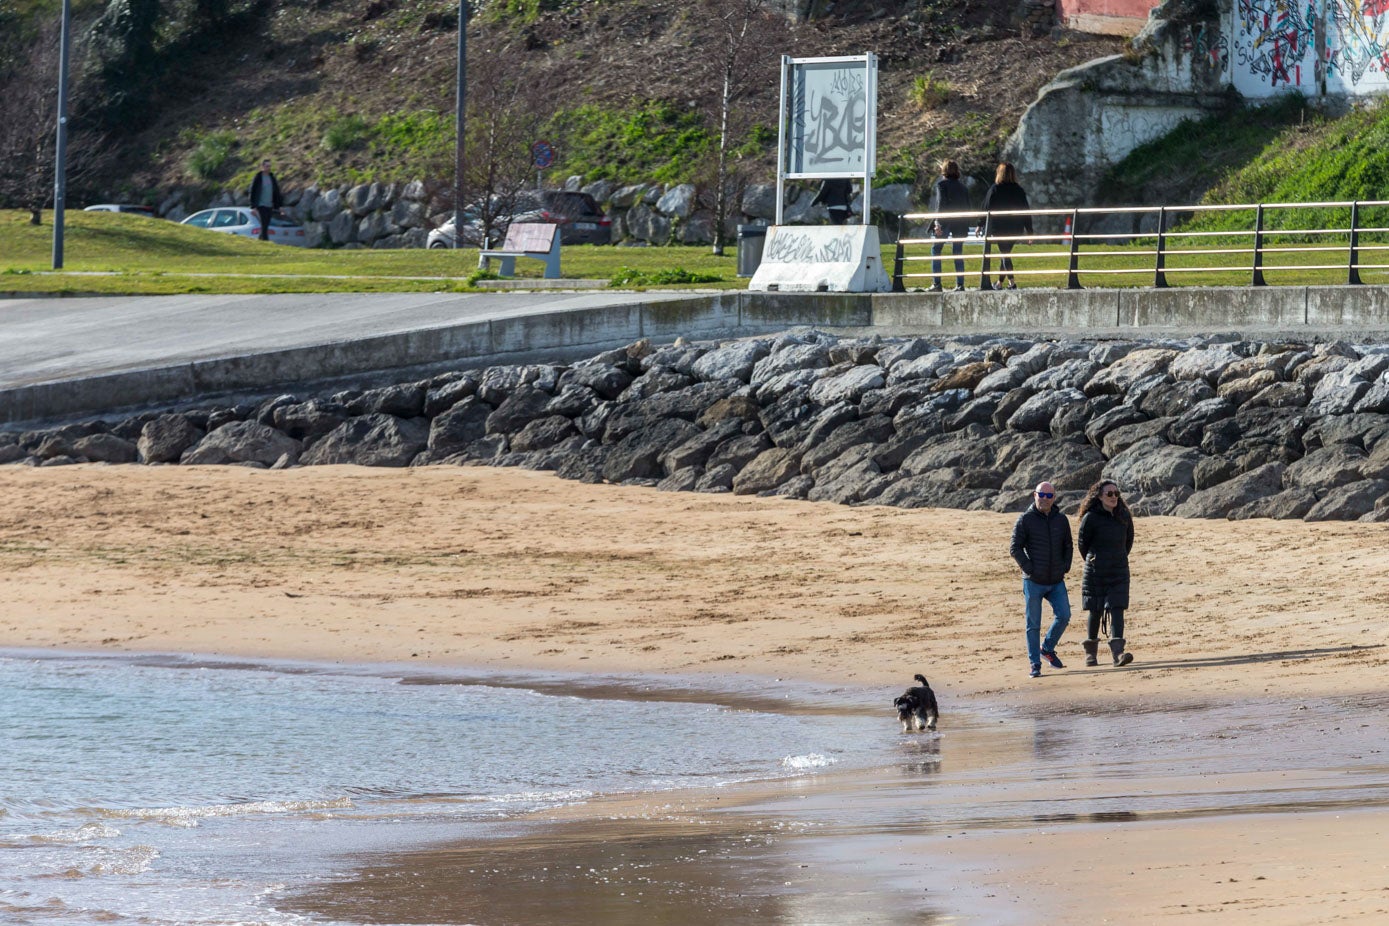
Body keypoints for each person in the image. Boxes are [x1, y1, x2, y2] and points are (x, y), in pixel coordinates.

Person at [1009, 481, 1073, 678]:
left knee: (1064, 615)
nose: (1045, 499)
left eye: (1049, 496)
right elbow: (1015, 548)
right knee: (1033, 625)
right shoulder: (1025, 520)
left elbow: (1068, 545)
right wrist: (1030, 569)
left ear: (1054, 498)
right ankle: (1034, 664)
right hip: (1033, 581)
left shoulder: (1061, 519)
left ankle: (1047, 648)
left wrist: (1065, 566)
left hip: (1056, 580)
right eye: (1041, 495)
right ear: (1034, 495)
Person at [1077, 479, 1135, 667]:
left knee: (1117, 609)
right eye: (1109, 494)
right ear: (1099, 496)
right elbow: (1082, 544)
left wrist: (1117, 558)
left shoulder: (1124, 515)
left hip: (1119, 569)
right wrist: (1094, 559)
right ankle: (1090, 655)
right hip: (1095, 570)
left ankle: (1118, 653)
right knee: (1095, 609)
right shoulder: (1091, 517)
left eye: (1116, 493)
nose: (1114, 497)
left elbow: (1129, 541)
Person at [980, 162, 1033, 291]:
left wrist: (980, 224)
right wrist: (1029, 231)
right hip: (1016, 227)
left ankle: (1012, 282)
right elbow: (1026, 210)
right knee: (1005, 254)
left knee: (1005, 254)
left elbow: (986, 207)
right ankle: (999, 283)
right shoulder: (1019, 190)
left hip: (999, 227)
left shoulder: (995, 189)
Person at [927, 159, 971, 292]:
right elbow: (968, 206)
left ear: (944, 170)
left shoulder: (942, 185)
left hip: (946, 222)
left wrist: (938, 223)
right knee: (957, 252)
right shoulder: (963, 187)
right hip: (961, 223)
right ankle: (960, 284)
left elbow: (941, 205)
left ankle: (937, 283)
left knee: (936, 249)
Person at [247, 159, 283, 242]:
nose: (268, 168)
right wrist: (253, 206)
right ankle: (266, 241)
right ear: (262, 166)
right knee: (264, 224)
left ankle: (260, 241)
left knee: (266, 224)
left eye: (269, 166)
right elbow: (252, 191)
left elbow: (276, 192)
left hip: (269, 205)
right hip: (260, 205)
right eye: (267, 166)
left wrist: (279, 206)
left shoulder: (271, 177)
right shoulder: (258, 177)